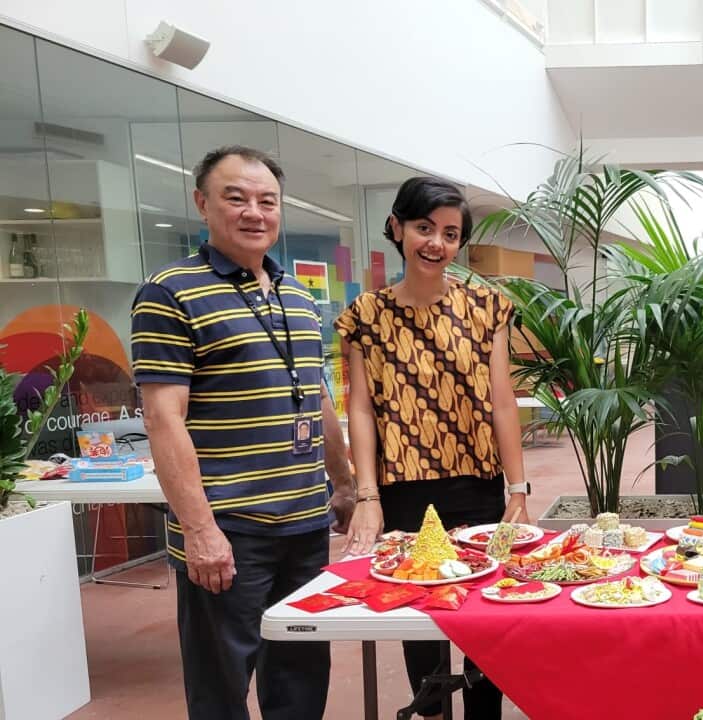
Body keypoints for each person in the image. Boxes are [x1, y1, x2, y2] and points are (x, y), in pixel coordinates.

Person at [132, 145, 356, 720]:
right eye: (236, 198)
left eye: (267, 201)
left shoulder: (300, 296)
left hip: (305, 524)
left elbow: (318, 395)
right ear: (203, 204)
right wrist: (200, 531)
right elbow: (164, 420)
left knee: (302, 671)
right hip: (230, 529)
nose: (254, 212)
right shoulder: (168, 292)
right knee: (221, 683)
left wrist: (344, 483)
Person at [336, 175, 529, 720]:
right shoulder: (365, 316)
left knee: (484, 622)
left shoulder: (488, 308)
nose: (436, 244)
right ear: (396, 228)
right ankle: (433, 712)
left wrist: (517, 490)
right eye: (424, 228)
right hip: (403, 492)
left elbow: (502, 403)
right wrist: (367, 495)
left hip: (478, 487)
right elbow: (362, 410)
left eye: (450, 233)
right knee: (418, 619)